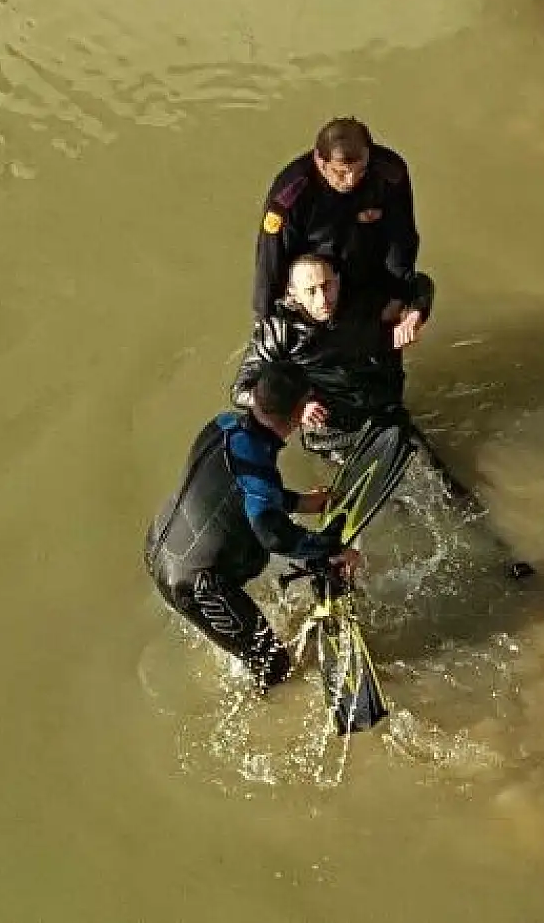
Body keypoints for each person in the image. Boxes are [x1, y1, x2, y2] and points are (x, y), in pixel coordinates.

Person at [142, 361, 361, 692]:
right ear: (301, 409)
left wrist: (299, 503)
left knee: (266, 578)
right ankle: (273, 715)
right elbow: (271, 533)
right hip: (197, 583)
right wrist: (330, 548)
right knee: (273, 667)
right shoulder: (257, 460)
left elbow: (235, 490)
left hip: (161, 541)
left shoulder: (223, 425)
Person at [252, 116, 435, 352]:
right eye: (341, 173)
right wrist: (266, 321)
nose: (351, 181)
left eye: (360, 171)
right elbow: (270, 260)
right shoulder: (291, 196)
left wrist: (397, 297)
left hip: (368, 273)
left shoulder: (389, 174)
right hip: (317, 285)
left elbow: (402, 239)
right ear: (320, 161)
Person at [233, 253, 428, 458]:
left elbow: (419, 283)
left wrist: (414, 316)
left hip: (382, 405)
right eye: (311, 291)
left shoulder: (359, 299)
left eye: (327, 286)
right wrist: (298, 408)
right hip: (330, 425)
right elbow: (241, 389)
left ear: (338, 281)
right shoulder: (279, 331)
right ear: (293, 294)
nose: (323, 299)